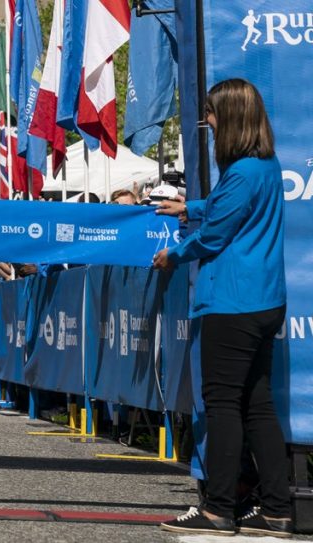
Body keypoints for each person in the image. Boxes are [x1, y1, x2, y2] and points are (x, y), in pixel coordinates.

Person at [154, 79, 291, 538]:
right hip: (265, 300)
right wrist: (188, 205)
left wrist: (172, 255)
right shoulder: (265, 166)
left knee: (223, 405)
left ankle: (218, 508)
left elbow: (214, 236)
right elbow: (225, 206)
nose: (208, 122)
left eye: (212, 114)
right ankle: (275, 508)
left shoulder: (242, 172)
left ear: (230, 117)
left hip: (232, 301)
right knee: (257, 406)